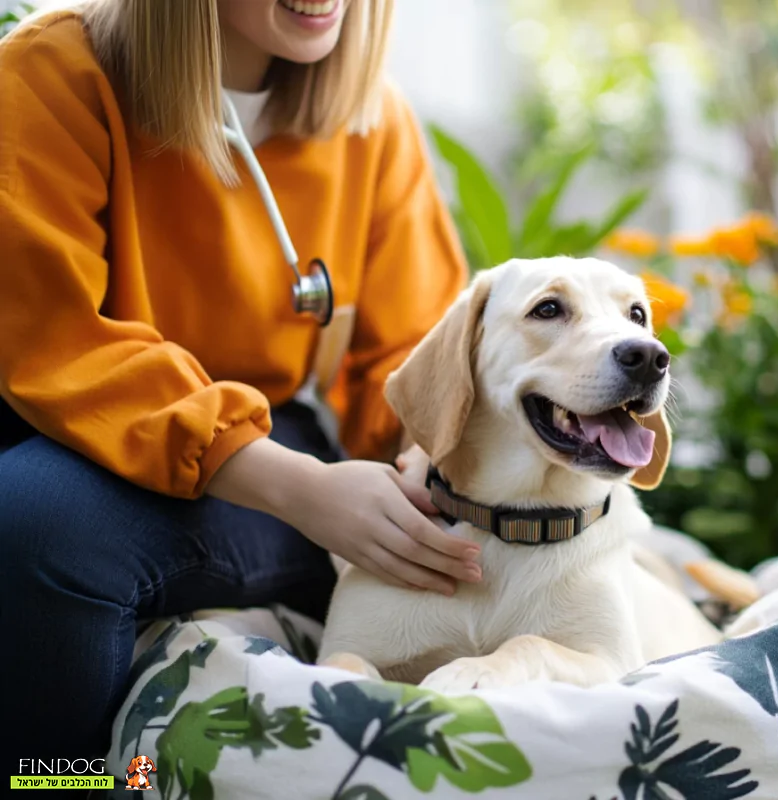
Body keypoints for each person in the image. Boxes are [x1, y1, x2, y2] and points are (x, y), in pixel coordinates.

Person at [0, 0, 484, 763]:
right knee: (34, 521)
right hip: (85, 431)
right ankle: (65, 784)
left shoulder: (377, 125)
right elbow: (50, 336)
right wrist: (298, 489)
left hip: (275, 444)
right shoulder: (51, 73)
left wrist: (427, 456)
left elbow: (415, 360)